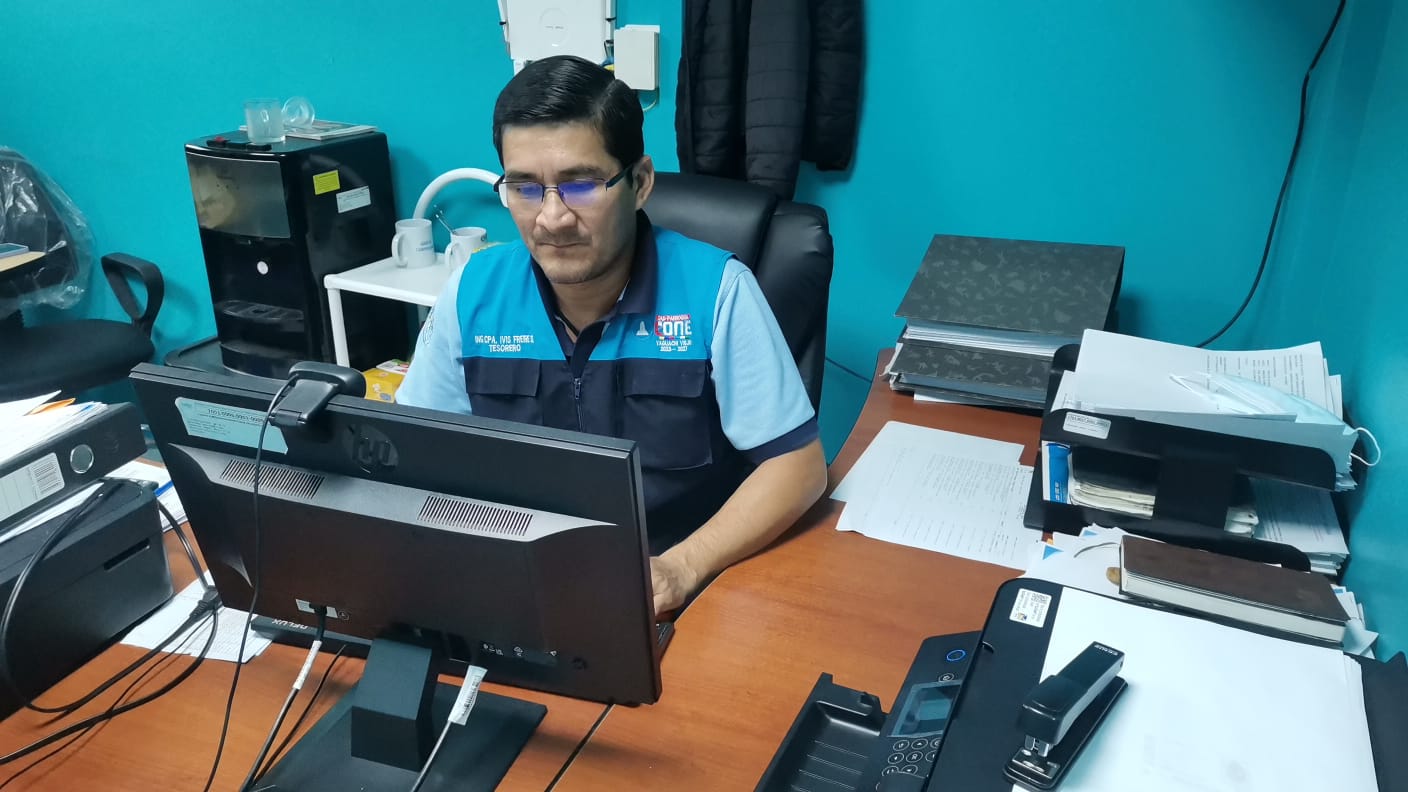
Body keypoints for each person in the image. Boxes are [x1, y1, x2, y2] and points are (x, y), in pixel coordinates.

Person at [396, 55, 827, 617]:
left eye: (580, 185)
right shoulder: (472, 294)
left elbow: (797, 467)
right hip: (520, 584)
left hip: (679, 592)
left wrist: (682, 567)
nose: (552, 218)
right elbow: (416, 452)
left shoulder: (715, 291)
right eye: (525, 188)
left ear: (640, 182)